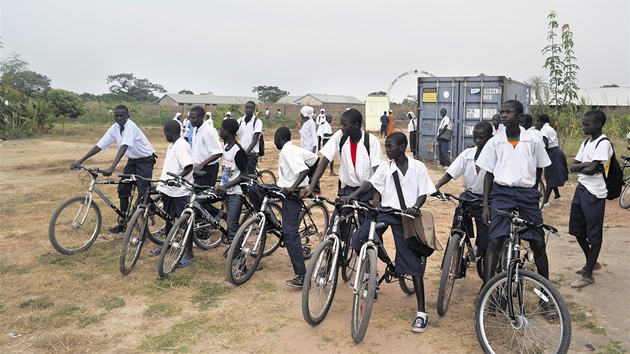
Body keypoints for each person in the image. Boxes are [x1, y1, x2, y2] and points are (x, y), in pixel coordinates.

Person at [343, 132, 436, 333]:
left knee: (412, 263)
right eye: (386, 146)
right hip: (387, 213)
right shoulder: (386, 167)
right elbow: (371, 183)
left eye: (390, 146)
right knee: (359, 238)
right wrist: (354, 194)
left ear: (402, 147)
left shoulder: (417, 167)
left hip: (406, 216)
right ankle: (371, 272)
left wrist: (416, 207)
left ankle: (421, 313)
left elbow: (423, 192)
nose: (387, 150)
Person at [477, 100, 553, 315]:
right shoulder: (495, 142)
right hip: (501, 193)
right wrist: (486, 205)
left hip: (527, 194)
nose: (503, 115)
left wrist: (533, 190)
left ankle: (545, 297)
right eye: (501, 112)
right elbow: (489, 175)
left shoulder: (533, 140)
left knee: (538, 243)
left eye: (508, 112)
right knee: (495, 241)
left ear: (519, 116)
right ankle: (488, 292)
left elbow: (539, 168)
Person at [248, 127, 318, 287]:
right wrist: (309, 182)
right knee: (255, 189)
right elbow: (314, 159)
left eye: (274, 138)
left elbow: (304, 169)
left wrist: (298, 187)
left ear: (278, 138)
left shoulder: (288, 152)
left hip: (291, 193)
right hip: (283, 187)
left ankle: (302, 275)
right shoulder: (293, 149)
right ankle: (269, 219)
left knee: (289, 233)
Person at [70, 105, 156, 234]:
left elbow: (124, 146)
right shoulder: (114, 128)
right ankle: (123, 224)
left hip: (145, 160)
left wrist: (112, 167)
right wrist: (80, 161)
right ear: (114, 116)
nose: (120, 118)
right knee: (123, 189)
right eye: (117, 115)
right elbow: (99, 145)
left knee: (143, 191)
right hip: (132, 161)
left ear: (128, 115)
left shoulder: (130, 126)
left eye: (122, 115)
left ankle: (151, 210)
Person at [304, 108, 384, 239]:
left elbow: (378, 171)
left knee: (367, 233)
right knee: (334, 227)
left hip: (367, 192)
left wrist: (376, 195)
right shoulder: (340, 137)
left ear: (356, 126)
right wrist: (312, 186)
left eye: (345, 125)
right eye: (341, 124)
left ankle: (365, 256)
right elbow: (324, 161)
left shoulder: (371, 141)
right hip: (347, 191)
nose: (342, 128)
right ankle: (336, 255)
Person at [434, 121, 493, 261]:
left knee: (485, 235)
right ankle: (456, 252)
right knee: (458, 224)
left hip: (486, 201)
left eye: (481, 138)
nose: (477, 141)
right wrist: (436, 187)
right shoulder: (468, 154)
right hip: (469, 196)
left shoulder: (494, 156)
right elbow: (451, 173)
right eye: (475, 137)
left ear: (490, 138)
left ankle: (483, 254)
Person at [568, 110, 612, 288]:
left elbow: (591, 170)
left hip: (594, 192)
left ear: (599, 125)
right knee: (577, 230)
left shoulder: (604, 143)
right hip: (581, 189)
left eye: (587, 124)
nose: (584, 127)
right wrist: (585, 165)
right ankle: (592, 262)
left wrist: (585, 166)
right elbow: (573, 168)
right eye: (583, 124)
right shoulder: (586, 143)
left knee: (593, 232)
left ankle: (588, 274)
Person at [153, 120, 194, 266]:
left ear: (170, 133)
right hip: (169, 190)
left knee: (185, 221)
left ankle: (189, 253)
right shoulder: (173, 145)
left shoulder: (182, 145)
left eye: (165, 133)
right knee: (169, 218)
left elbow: (188, 167)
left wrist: (177, 179)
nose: (165, 136)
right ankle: (168, 244)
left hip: (180, 191)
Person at [215, 119, 248, 254]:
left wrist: (227, 185)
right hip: (223, 189)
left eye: (221, 129)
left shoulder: (238, 150)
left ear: (227, 132)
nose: (219, 131)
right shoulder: (225, 147)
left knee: (233, 227)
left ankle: (238, 258)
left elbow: (244, 174)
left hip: (235, 192)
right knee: (200, 202)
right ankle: (224, 216)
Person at [538, 114, 569, 206]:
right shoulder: (551, 129)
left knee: (551, 175)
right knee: (554, 174)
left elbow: (545, 144)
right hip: (558, 151)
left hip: (552, 153)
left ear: (540, 121)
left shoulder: (543, 130)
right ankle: (557, 196)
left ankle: (545, 201)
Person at [189, 106, 223, 188]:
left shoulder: (209, 131)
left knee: (203, 195)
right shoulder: (195, 129)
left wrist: (201, 165)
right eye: (190, 118)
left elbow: (218, 152)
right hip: (197, 168)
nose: (191, 120)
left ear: (201, 117)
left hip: (208, 169)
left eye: (193, 118)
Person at [237, 101, 263, 175]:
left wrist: (246, 153)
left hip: (251, 155)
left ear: (254, 109)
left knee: (249, 177)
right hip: (242, 154)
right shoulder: (240, 121)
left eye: (250, 108)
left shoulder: (257, 122)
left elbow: (255, 140)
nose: (248, 109)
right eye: (247, 107)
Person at [299, 106, 320, 193]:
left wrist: (313, 152)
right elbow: (304, 135)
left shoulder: (311, 123)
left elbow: (314, 137)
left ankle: (316, 189)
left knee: (311, 171)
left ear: (305, 114)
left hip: (310, 150)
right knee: (309, 170)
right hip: (305, 150)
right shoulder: (306, 123)